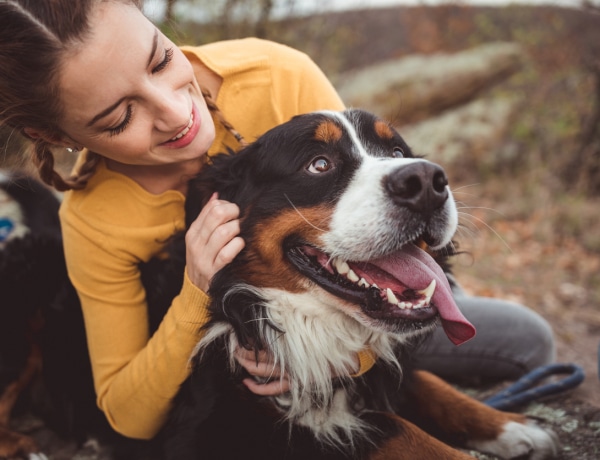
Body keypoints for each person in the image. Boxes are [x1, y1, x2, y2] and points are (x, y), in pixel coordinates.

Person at [0, 0, 554, 442]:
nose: (175, 112)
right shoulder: (94, 221)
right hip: (227, 337)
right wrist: (199, 287)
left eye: (160, 60)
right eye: (120, 116)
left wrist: (346, 361)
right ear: (57, 137)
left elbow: (363, 204)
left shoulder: (275, 73)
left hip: (356, 293)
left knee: (526, 342)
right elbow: (127, 415)